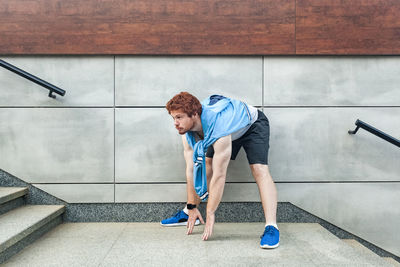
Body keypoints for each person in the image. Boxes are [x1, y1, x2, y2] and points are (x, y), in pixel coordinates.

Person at [161, 92, 279, 249]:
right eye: (173, 118)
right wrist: (191, 205)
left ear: (194, 114)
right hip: (222, 128)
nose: (175, 123)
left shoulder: (219, 127)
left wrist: (210, 212)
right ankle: (188, 213)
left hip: (252, 125)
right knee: (206, 165)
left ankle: (271, 227)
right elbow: (191, 170)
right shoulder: (186, 131)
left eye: (179, 117)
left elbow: (220, 175)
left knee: (259, 169)